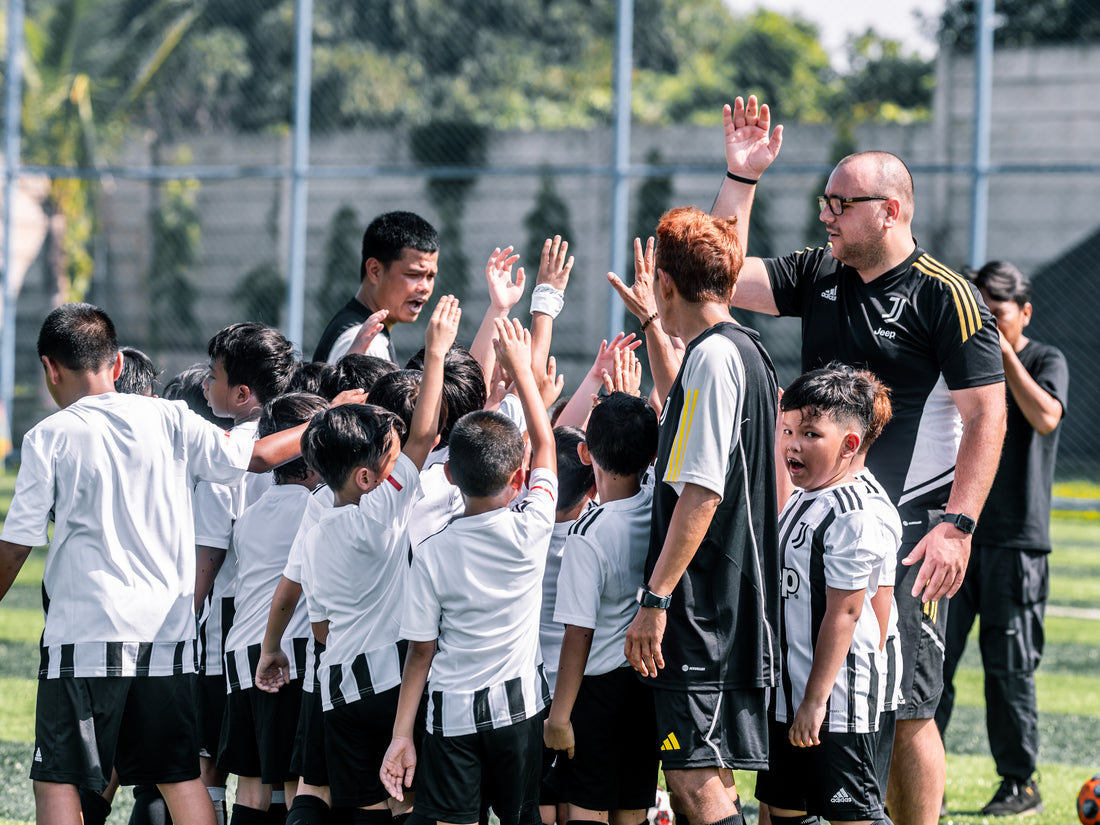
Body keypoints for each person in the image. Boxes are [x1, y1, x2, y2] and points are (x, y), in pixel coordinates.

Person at [710, 95, 1007, 825]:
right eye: (825, 201)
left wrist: (956, 525)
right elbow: (720, 278)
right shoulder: (819, 272)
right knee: (805, 685)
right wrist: (740, 179)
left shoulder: (947, 297)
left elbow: (986, 416)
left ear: (892, 209)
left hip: (905, 535)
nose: (827, 216)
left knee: (905, 705)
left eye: (843, 203)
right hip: (809, 524)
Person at [0, 303, 364, 825]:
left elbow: (16, 545)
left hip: (82, 637)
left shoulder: (49, 436)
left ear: (50, 368)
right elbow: (256, 455)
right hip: (167, 638)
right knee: (178, 774)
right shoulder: (171, 418)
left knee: (57, 778)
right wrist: (328, 415)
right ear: (118, 366)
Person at [610, 207, 780, 825]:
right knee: (708, 776)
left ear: (665, 280)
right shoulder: (741, 349)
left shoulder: (714, 358)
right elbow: (687, 412)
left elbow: (703, 491)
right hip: (726, 601)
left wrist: (655, 601)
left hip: (705, 605)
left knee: (693, 784)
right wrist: (654, 324)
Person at [380, 317, 557, 825]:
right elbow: (544, 445)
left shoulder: (432, 552)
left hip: (450, 712)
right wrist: (522, 371)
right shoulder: (533, 528)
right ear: (518, 476)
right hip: (520, 709)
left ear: (450, 474)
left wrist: (401, 736)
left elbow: (420, 652)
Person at [300, 295, 459, 818]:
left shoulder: (317, 524)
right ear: (368, 478)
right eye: (389, 457)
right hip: (391, 685)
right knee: (407, 804)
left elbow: (320, 628)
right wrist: (434, 354)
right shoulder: (380, 512)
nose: (400, 462)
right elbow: (426, 435)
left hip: (339, 689)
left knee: (362, 808)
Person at [936, 261, 1068, 817]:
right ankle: (922, 783)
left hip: (1016, 543)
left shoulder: (1043, 359)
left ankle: (1020, 783)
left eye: (999, 317)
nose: (988, 326)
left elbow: (1046, 416)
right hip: (953, 537)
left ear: (1025, 313)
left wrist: (1001, 351)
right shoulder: (962, 362)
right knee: (932, 667)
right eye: (980, 317)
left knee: (1008, 669)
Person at [756, 364, 901, 825]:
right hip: (790, 694)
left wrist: (816, 702)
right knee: (782, 809)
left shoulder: (856, 513)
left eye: (810, 434)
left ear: (850, 445)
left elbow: (851, 612)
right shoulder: (807, 494)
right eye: (787, 430)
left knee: (851, 815)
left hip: (836, 704)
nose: (792, 444)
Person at [544, 392, 660, 825]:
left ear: (583, 452)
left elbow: (579, 633)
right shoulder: (658, 504)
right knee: (631, 809)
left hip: (595, 694)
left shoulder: (587, 533)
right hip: (645, 684)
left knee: (586, 809)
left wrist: (559, 716)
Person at [196, 322, 297, 824]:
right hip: (298, 620)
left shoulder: (229, 451)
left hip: (234, 620)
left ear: (241, 392)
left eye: (212, 376)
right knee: (286, 764)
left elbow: (210, 554)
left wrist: (183, 623)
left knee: (225, 761)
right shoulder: (307, 430)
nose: (205, 386)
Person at [217, 392, 330, 823]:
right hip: (285, 654)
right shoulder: (315, 507)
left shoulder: (252, 512)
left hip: (240, 653)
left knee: (251, 784)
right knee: (295, 780)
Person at [313, 210, 439, 364]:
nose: (425, 287)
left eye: (430, 276)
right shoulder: (366, 342)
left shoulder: (366, 332)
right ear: (375, 270)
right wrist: (436, 354)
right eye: (413, 275)